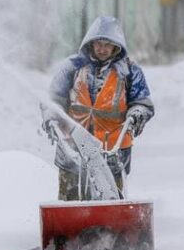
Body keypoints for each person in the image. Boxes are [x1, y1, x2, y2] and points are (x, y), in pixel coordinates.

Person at [47, 16, 154, 200]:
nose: (102, 49)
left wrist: (137, 114)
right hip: (73, 146)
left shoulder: (129, 71)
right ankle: (70, 224)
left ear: (116, 46)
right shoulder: (73, 67)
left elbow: (142, 102)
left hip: (113, 150)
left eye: (107, 44)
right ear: (91, 42)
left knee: (111, 196)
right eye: (98, 43)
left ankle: (112, 226)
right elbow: (53, 99)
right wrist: (50, 116)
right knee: (70, 196)